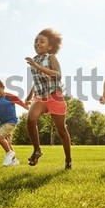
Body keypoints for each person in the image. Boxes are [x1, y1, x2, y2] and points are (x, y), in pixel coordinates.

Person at [25, 28, 72, 169]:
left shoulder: (50, 57)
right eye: (36, 41)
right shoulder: (34, 61)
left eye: (42, 41)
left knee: (61, 130)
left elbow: (58, 75)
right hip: (40, 98)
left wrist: (38, 67)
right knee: (30, 119)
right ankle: (37, 150)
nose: (37, 43)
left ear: (49, 46)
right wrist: (29, 96)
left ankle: (68, 159)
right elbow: (37, 81)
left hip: (54, 96)